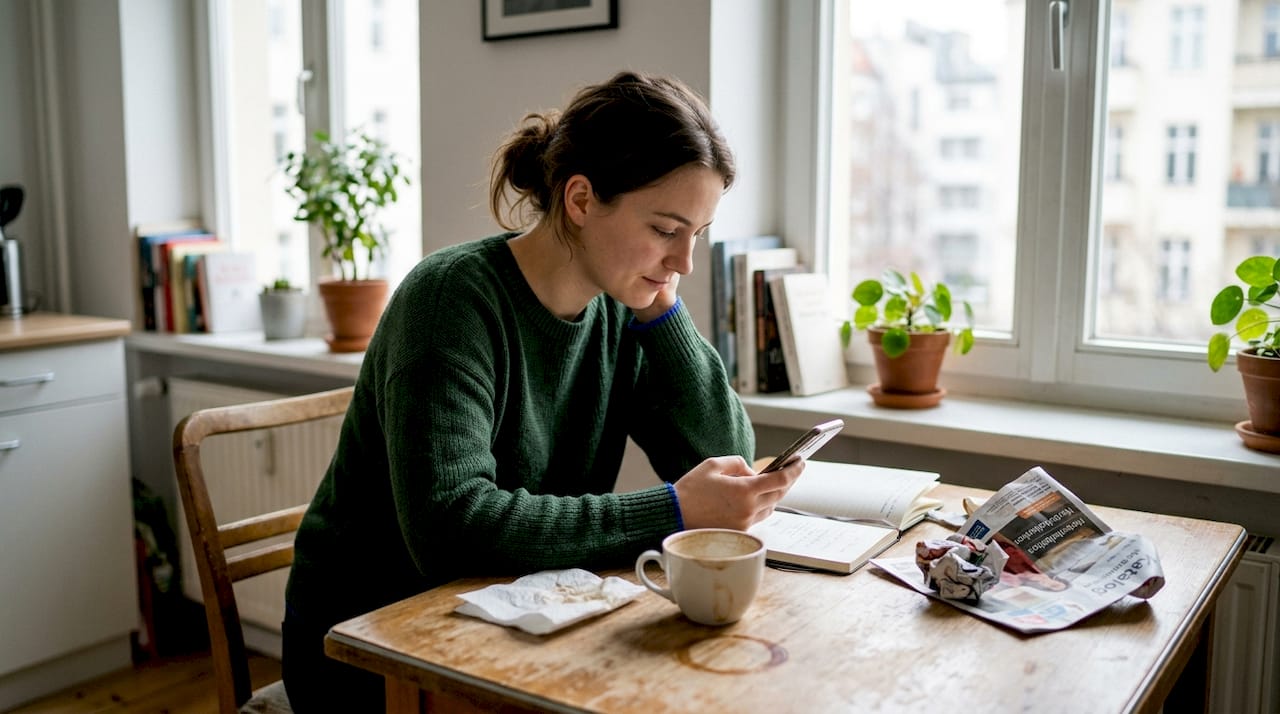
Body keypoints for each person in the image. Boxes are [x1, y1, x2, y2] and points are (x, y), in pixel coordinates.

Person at [281, 70, 805, 712]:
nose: (685, 262)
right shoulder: (450, 300)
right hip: (373, 644)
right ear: (580, 200)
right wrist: (671, 511)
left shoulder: (624, 305)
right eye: (666, 230)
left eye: (697, 234)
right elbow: (449, 529)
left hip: (519, 617)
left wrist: (663, 314)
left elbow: (724, 455)